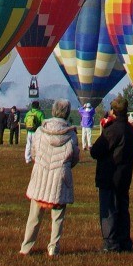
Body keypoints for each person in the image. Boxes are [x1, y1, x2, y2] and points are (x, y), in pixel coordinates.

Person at [20, 97, 79, 257]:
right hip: (60, 178)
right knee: (57, 217)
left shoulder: (40, 131)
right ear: (67, 114)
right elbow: (75, 157)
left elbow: (33, 152)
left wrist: (40, 163)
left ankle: (26, 247)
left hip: (40, 176)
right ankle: (53, 248)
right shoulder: (71, 135)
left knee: (34, 216)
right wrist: (64, 167)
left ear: (52, 111)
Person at [90, 96, 133, 252]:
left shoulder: (113, 130)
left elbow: (96, 151)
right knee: (123, 209)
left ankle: (111, 243)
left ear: (113, 111)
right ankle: (124, 241)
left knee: (109, 210)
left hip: (109, 177)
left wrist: (105, 130)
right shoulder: (130, 130)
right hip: (124, 176)